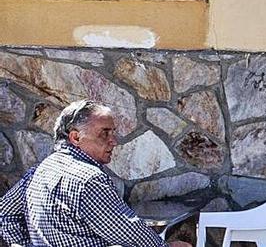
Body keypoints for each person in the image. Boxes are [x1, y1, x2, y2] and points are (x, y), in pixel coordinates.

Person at [0, 100, 192, 247]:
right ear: (76, 137)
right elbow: (128, 231)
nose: (113, 141)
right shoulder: (88, 179)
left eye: (113, 133)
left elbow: (5, 214)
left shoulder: (40, 170)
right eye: (104, 133)